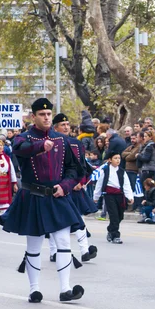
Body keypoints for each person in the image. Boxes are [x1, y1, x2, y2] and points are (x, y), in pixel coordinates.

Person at [0, 98, 86, 303]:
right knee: (34, 244)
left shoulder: (62, 140)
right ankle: (34, 289)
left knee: (64, 241)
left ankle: (65, 289)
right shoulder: (23, 138)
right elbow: (21, 149)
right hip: (33, 196)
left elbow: (74, 169)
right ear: (33, 116)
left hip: (57, 196)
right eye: (42, 114)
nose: (46, 118)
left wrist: (64, 186)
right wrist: (40, 146)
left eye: (49, 114)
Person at [49, 113, 98, 263]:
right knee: (55, 220)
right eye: (62, 125)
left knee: (79, 219)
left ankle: (84, 251)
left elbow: (82, 166)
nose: (66, 127)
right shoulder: (49, 142)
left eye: (67, 124)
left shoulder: (76, 144)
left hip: (74, 186)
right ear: (55, 127)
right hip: (57, 187)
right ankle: (54, 252)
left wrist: (80, 182)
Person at [93, 151, 134, 244]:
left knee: (120, 215)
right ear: (110, 160)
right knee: (114, 215)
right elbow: (99, 184)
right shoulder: (105, 170)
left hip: (120, 195)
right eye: (115, 158)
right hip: (109, 195)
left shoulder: (122, 171)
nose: (118, 160)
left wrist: (130, 196)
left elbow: (126, 185)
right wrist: (96, 196)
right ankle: (116, 235)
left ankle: (110, 230)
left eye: (119, 158)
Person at [0, 140, 18, 211]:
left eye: (1, 145)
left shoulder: (7, 158)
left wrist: (14, 183)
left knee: (6, 203)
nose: (0, 147)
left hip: (5, 182)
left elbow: (12, 171)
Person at [122, 133, 141, 210]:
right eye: (131, 138)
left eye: (134, 138)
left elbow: (130, 157)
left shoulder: (139, 147)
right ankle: (127, 205)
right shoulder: (130, 147)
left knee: (133, 188)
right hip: (127, 170)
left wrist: (129, 155)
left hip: (134, 170)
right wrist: (130, 153)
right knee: (127, 188)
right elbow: (123, 154)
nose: (132, 140)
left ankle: (133, 206)